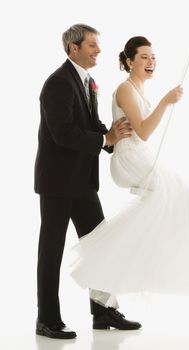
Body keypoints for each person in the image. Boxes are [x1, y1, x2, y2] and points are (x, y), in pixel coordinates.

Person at [70, 36, 189, 303]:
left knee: (177, 203)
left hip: (140, 157)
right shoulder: (125, 89)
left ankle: (116, 269)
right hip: (128, 160)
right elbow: (142, 132)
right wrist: (166, 102)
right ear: (129, 62)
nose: (151, 62)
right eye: (144, 57)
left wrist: (163, 102)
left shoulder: (138, 89)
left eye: (153, 57)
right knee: (186, 198)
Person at [34, 24, 141, 340]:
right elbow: (62, 132)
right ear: (73, 48)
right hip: (56, 182)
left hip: (82, 182)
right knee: (51, 251)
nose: (98, 51)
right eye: (92, 45)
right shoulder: (57, 83)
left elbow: (90, 125)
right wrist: (103, 137)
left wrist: (113, 137)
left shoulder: (89, 82)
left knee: (101, 247)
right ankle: (47, 320)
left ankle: (104, 312)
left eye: (98, 45)